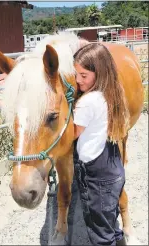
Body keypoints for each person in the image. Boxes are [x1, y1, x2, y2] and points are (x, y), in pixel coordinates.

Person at [73, 43, 130, 245]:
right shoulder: (111, 93)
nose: (78, 80)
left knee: (99, 231)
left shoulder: (86, 102)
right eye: (75, 74)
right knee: (110, 221)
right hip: (113, 169)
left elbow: (72, 134)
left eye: (84, 75)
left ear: (99, 73)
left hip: (96, 177)